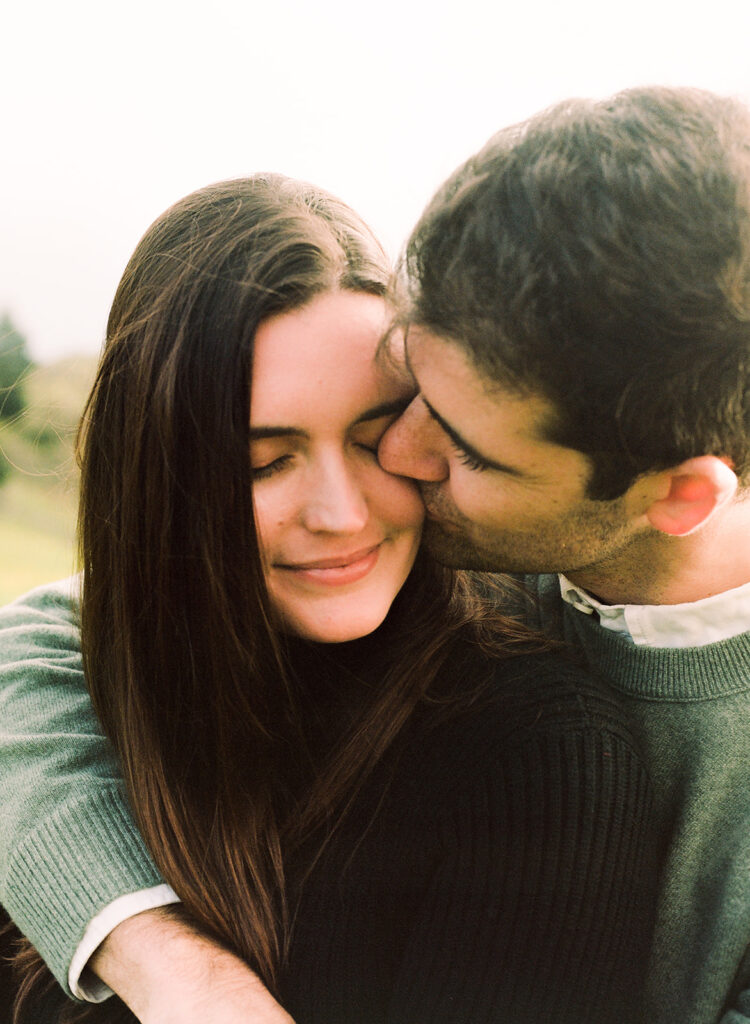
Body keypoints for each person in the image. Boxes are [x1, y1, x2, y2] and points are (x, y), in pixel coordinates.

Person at [0, 174, 657, 1024]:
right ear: (158, 477)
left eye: (376, 438)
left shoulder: (538, 754)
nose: (342, 515)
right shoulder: (72, 710)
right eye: (263, 462)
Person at [375, 86, 750, 1024]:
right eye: (409, 390)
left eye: (466, 451)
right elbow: (49, 648)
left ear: (679, 497)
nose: (396, 455)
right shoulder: (417, 536)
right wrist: (157, 956)